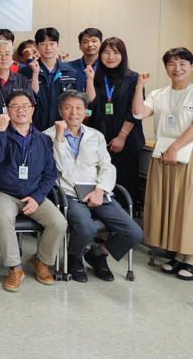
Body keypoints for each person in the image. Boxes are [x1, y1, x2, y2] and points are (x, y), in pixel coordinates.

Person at [47, 90, 142, 282]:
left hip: (98, 192)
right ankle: (74, 258)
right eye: (68, 108)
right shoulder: (47, 136)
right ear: (60, 111)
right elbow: (60, 167)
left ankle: (98, 254)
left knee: (134, 232)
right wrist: (59, 138)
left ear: (86, 112)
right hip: (68, 194)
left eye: (79, 108)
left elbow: (107, 166)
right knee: (86, 228)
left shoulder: (95, 135)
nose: (73, 112)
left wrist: (100, 190)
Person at [0, 89, 66, 292]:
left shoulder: (43, 140)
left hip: (33, 195)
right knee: (4, 218)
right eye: (14, 106)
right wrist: (1, 130)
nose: (20, 110)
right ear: (7, 110)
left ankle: (40, 261)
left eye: (25, 106)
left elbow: (50, 174)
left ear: (33, 110)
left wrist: (37, 198)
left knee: (59, 222)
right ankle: (14, 268)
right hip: (5, 193)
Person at [133, 47, 193, 281]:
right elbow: (138, 113)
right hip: (163, 155)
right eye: (171, 64)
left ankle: (190, 257)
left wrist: (175, 147)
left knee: (187, 206)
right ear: (165, 67)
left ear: (190, 66)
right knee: (168, 205)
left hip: (187, 156)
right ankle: (178, 255)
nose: (177, 68)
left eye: (182, 63)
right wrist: (139, 86)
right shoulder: (158, 94)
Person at [88, 37, 145, 206]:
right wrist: (89, 80)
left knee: (124, 183)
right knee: (99, 183)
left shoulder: (134, 78)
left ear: (123, 55)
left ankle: (124, 224)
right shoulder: (96, 76)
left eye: (115, 52)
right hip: (100, 140)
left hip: (126, 142)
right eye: (106, 52)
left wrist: (122, 136)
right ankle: (102, 225)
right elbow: (91, 104)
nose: (110, 56)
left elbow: (134, 111)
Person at [18, 27, 91, 131]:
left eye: (52, 43)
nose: (48, 48)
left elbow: (77, 101)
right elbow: (27, 100)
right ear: (37, 46)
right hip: (34, 128)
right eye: (43, 44)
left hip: (63, 128)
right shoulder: (26, 72)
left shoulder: (71, 73)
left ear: (58, 45)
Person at [0, 40, 37, 154]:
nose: (4, 58)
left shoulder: (22, 80)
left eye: (7, 54)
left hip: (17, 137)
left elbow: (29, 110)